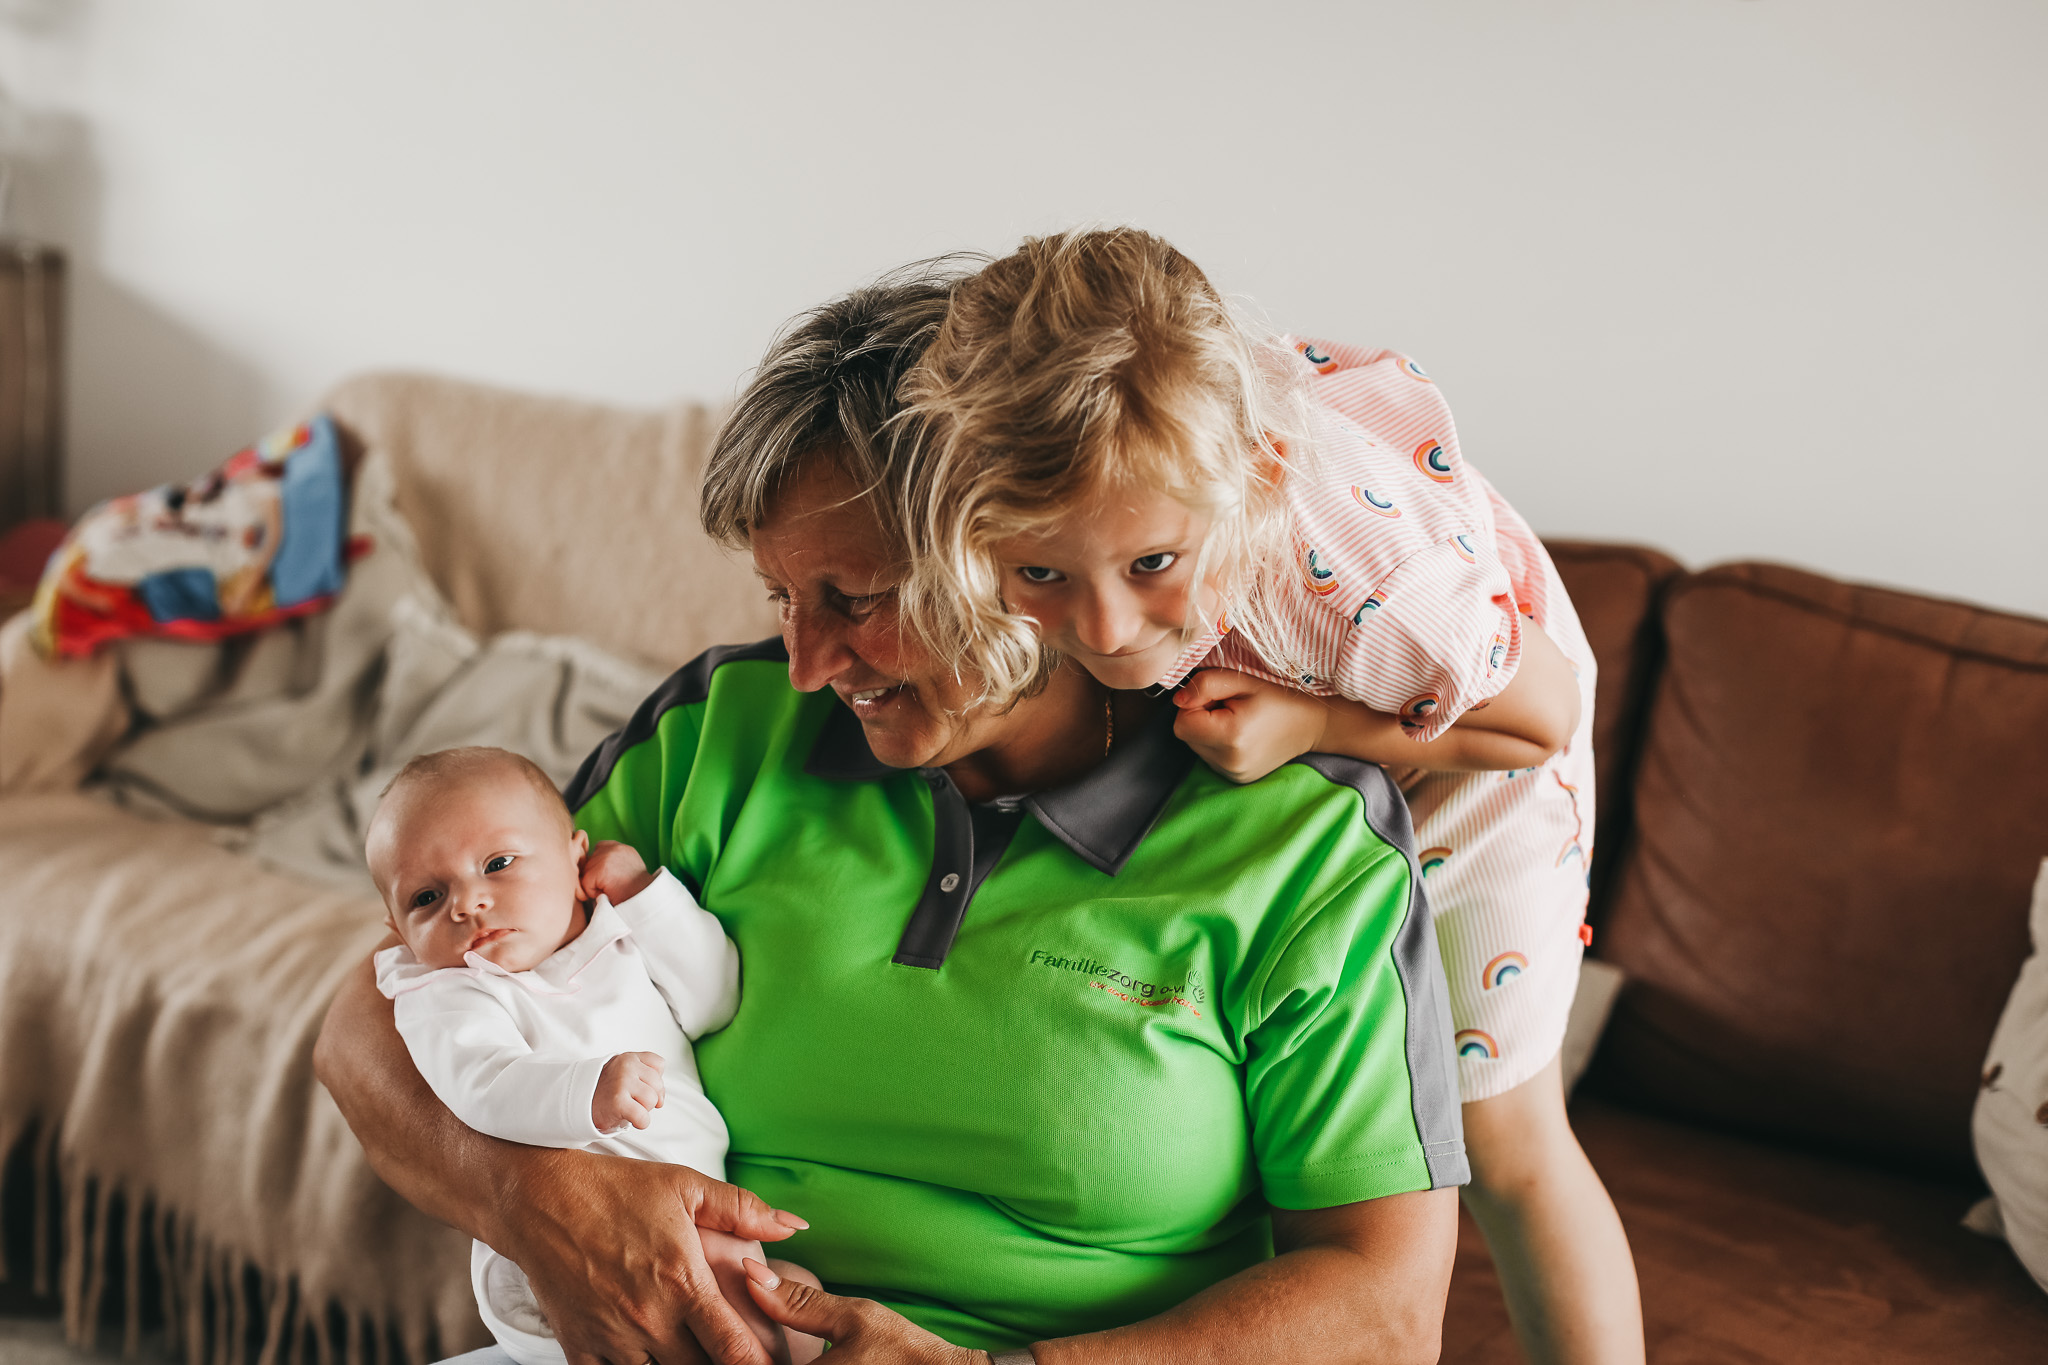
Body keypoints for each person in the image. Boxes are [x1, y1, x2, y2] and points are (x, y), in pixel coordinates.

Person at [315, 270, 1465, 1365]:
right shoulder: (723, 729)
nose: (806, 665)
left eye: (857, 601)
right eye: (782, 597)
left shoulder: (1301, 840)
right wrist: (528, 1194)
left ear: (1016, 549)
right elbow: (371, 1021)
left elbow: (1384, 1314)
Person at [894, 228, 1644, 1365]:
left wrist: (1315, 724)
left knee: (1505, 1134)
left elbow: (1542, 713)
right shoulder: (1074, 472)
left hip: (1480, 748)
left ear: (1250, 481)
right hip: (1336, 705)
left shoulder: (1365, 593)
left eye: (1150, 565)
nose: (1105, 629)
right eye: (1042, 573)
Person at [363, 746, 822, 1365]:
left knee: (800, 1307)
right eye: (425, 898)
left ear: (575, 855)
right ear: (397, 930)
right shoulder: (446, 992)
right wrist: (588, 1090)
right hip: (568, 1251)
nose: (467, 903)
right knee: (749, 1319)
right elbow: (483, 1085)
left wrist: (641, 894)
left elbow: (713, 1000)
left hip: (693, 1220)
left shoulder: (623, 929)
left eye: (497, 864)